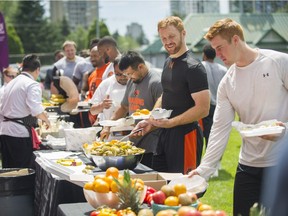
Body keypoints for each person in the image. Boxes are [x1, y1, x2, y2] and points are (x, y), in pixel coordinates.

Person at [187, 18, 288, 216]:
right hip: (248, 167)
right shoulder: (227, 82)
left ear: (235, 40)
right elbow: (219, 128)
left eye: (220, 48)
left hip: (282, 164)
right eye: (214, 49)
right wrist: (204, 169)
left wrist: (285, 129)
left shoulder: (279, 62)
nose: (217, 54)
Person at [132, 16, 210, 174]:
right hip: (164, 135)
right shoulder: (168, 62)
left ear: (183, 33)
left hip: (186, 135)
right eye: (164, 38)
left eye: (172, 36)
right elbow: (164, 96)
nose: (168, 41)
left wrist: (172, 122)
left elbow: (203, 109)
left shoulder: (194, 67)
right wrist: (151, 120)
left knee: (185, 188)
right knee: (162, 184)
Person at [100, 51, 163, 168]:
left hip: (152, 147)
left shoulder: (156, 83)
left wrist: (148, 127)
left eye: (130, 74)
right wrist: (108, 125)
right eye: (126, 75)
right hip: (134, 145)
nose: (128, 78)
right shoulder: (132, 81)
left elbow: (163, 116)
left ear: (141, 66)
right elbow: (124, 107)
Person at [0, 54, 51, 168]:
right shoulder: (32, 84)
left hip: (5, 131)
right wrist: (46, 120)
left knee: (8, 171)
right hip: (19, 133)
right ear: (38, 70)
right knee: (23, 172)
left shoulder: (11, 83)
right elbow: (36, 109)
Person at [201, 44, 227, 146]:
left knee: (208, 134)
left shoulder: (201, 66)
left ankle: (210, 158)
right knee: (218, 134)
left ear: (204, 55)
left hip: (207, 105)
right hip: (220, 105)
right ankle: (216, 159)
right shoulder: (223, 69)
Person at [90, 56, 128, 123]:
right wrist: (102, 105)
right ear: (114, 71)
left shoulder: (135, 82)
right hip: (110, 128)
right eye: (118, 74)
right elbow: (92, 111)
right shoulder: (106, 83)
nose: (122, 77)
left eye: (125, 74)